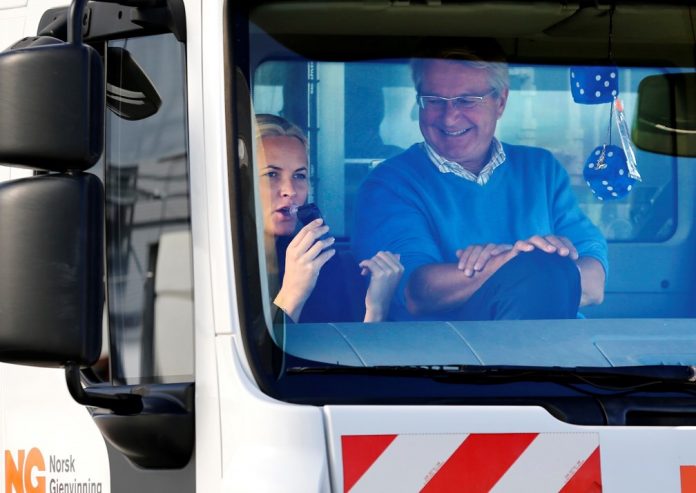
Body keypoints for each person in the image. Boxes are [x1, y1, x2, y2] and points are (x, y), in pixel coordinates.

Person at [352, 47, 608, 321]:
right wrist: (516, 262)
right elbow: (417, 293)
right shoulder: (389, 184)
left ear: (501, 102)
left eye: (466, 100)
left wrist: (514, 265)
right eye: (434, 100)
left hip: (554, 343)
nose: (449, 117)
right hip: (448, 346)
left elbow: (594, 285)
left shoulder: (541, 169)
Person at [256, 114, 404, 323]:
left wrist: (376, 308)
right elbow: (253, 346)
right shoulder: (216, 267)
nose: (290, 190)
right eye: (271, 174)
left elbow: (339, 343)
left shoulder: (318, 259)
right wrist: (293, 293)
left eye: (299, 175)